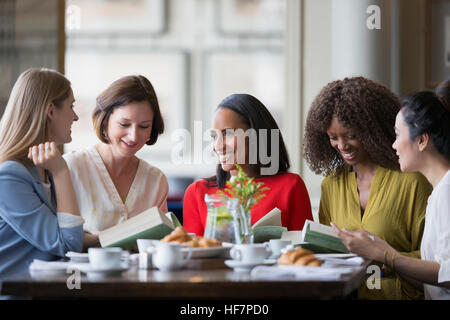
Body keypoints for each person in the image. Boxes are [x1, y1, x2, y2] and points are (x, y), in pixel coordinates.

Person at [303, 77, 432, 299]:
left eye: (351, 135)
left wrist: (380, 261)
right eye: (333, 138)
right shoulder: (331, 185)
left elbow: (435, 263)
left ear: (372, 128)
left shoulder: (411, 181)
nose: (342, 145)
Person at [332, 79, 450, 300]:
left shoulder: (447, 192)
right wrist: (382, 251)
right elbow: (431, 281)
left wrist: (386, 255)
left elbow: (447, 275)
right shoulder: (438, 193)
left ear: (422, 140)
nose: (393, 145)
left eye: (398, 134)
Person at [183, 93, 313, 236]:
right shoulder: (197, 192)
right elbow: (191, 253)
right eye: (214, 136)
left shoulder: (291, 186)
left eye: (227, 133)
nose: (217, 146)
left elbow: (302, 252)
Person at [63, 75, 168, 249]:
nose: (134, 136)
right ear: (105, 120)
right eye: (124, 124)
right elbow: (55, 240)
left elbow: (160, 244)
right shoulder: (71, 168)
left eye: (144, 126)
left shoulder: (155, 180)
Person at [0, 68, 84, 278]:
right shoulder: (9, 177)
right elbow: (68, 244)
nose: (75, 117)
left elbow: (63, 235)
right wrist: (61, 171)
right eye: (71, 106)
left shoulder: (44, 167)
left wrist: (107, 237)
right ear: (51, 111)